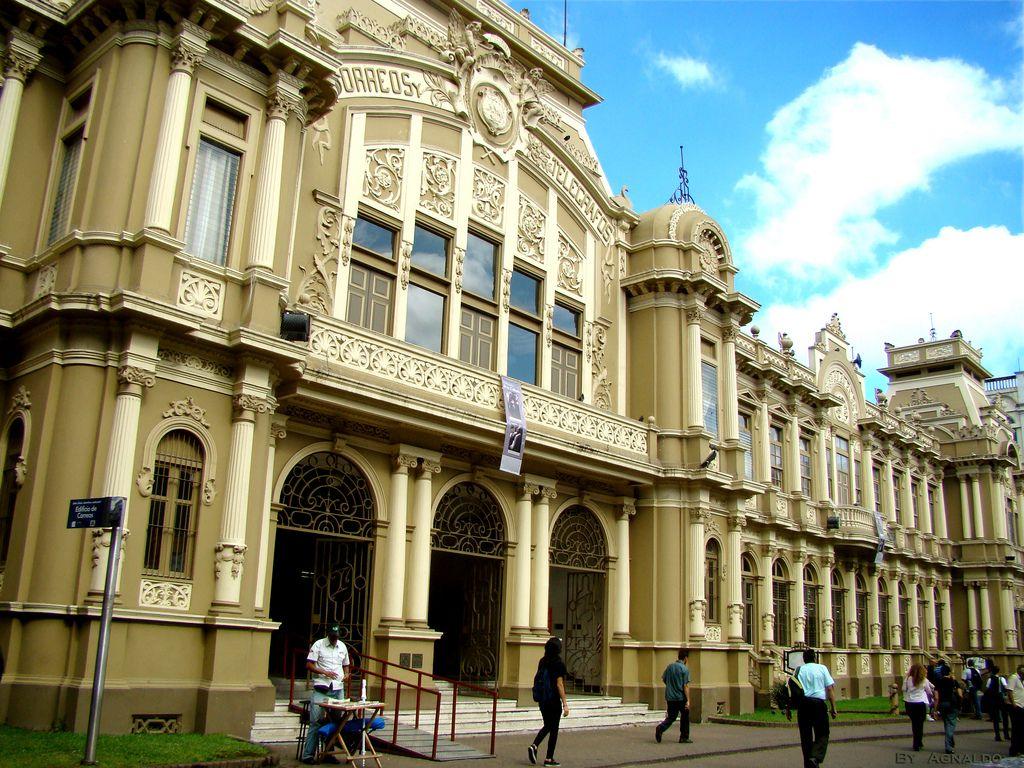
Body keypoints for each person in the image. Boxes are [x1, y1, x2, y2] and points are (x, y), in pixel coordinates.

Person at [301, 621, 351, 765]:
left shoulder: (342, 646)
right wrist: (323, 672)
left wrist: (346, 674)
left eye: (336, 636)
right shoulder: (318, 645)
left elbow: (346, 665)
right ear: (328, 634)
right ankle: (308, 755)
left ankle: (328, 752)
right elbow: (309, 664)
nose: (334, 638)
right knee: (315, 721)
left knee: (336, 722)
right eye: (332, 636)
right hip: (322, 688)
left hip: (338, 688)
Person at [785, 649, 837, 768]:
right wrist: (834, 707)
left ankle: (809, 764)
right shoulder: (822, 668)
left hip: (803, 706)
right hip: (819, 705)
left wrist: (788, 709)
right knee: (823, 733)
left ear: (804, 659)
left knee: (806, 738)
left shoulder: (799, 670)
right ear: (815, 658)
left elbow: (792, 690)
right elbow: (830, 689)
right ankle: (815, 757)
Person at [528, 637, 570, 767]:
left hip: (543, 700)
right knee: (554, 728)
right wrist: (565, 703)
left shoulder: (542, 661)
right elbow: (559, 684)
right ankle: (548, 758)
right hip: (553, 700)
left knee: (548, 725)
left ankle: (535, 746)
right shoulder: (558, 663)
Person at [654, 647, 692, 744]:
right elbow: (685, 686)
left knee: (671, 717)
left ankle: (660, 728)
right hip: (680, 697)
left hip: (670, 696)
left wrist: (670, 686)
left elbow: (664, 678)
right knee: (685, 716)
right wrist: (688, 700)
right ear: (686, 658)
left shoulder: (670, 667)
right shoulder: (684, 669)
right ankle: (684, 737)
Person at [902, 663, 935, 752]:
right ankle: (918, 742)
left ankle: (916, 742)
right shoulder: (923, 680)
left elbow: (903, 689)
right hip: (920, 703)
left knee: (914, 724)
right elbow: (929, 691)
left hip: (909, 703)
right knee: (920, 724)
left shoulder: (908, 679)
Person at [934, 663, 964, 754]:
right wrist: (960, 705)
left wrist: (935, 710)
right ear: (949, 672)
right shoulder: (954, 682)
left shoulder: (938, 682)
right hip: (953, 704)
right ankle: (948, 746)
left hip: (943, 705)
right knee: (950, 725)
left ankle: (950, 742)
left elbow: (936, 697)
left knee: (947, 723)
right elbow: (960, 695)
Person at [984, 664, 1009, 741]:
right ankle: (1006, 734)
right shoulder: (1002, 679)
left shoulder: (990, 679)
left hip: (993, 700)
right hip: (1001, 699)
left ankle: (997, 735)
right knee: (1005, 717)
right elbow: (1006, 687)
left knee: (995, 718)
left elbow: (987, 689)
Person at [1006, 664, 1024, 756]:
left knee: (1021, 729)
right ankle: (1014, 750)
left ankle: (1021, 749)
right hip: (1016, 707)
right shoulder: (1014, 678)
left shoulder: (1022, 680)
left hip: (1021, 706)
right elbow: (1009, 691)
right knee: (1016, 729)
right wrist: (1014, 704)